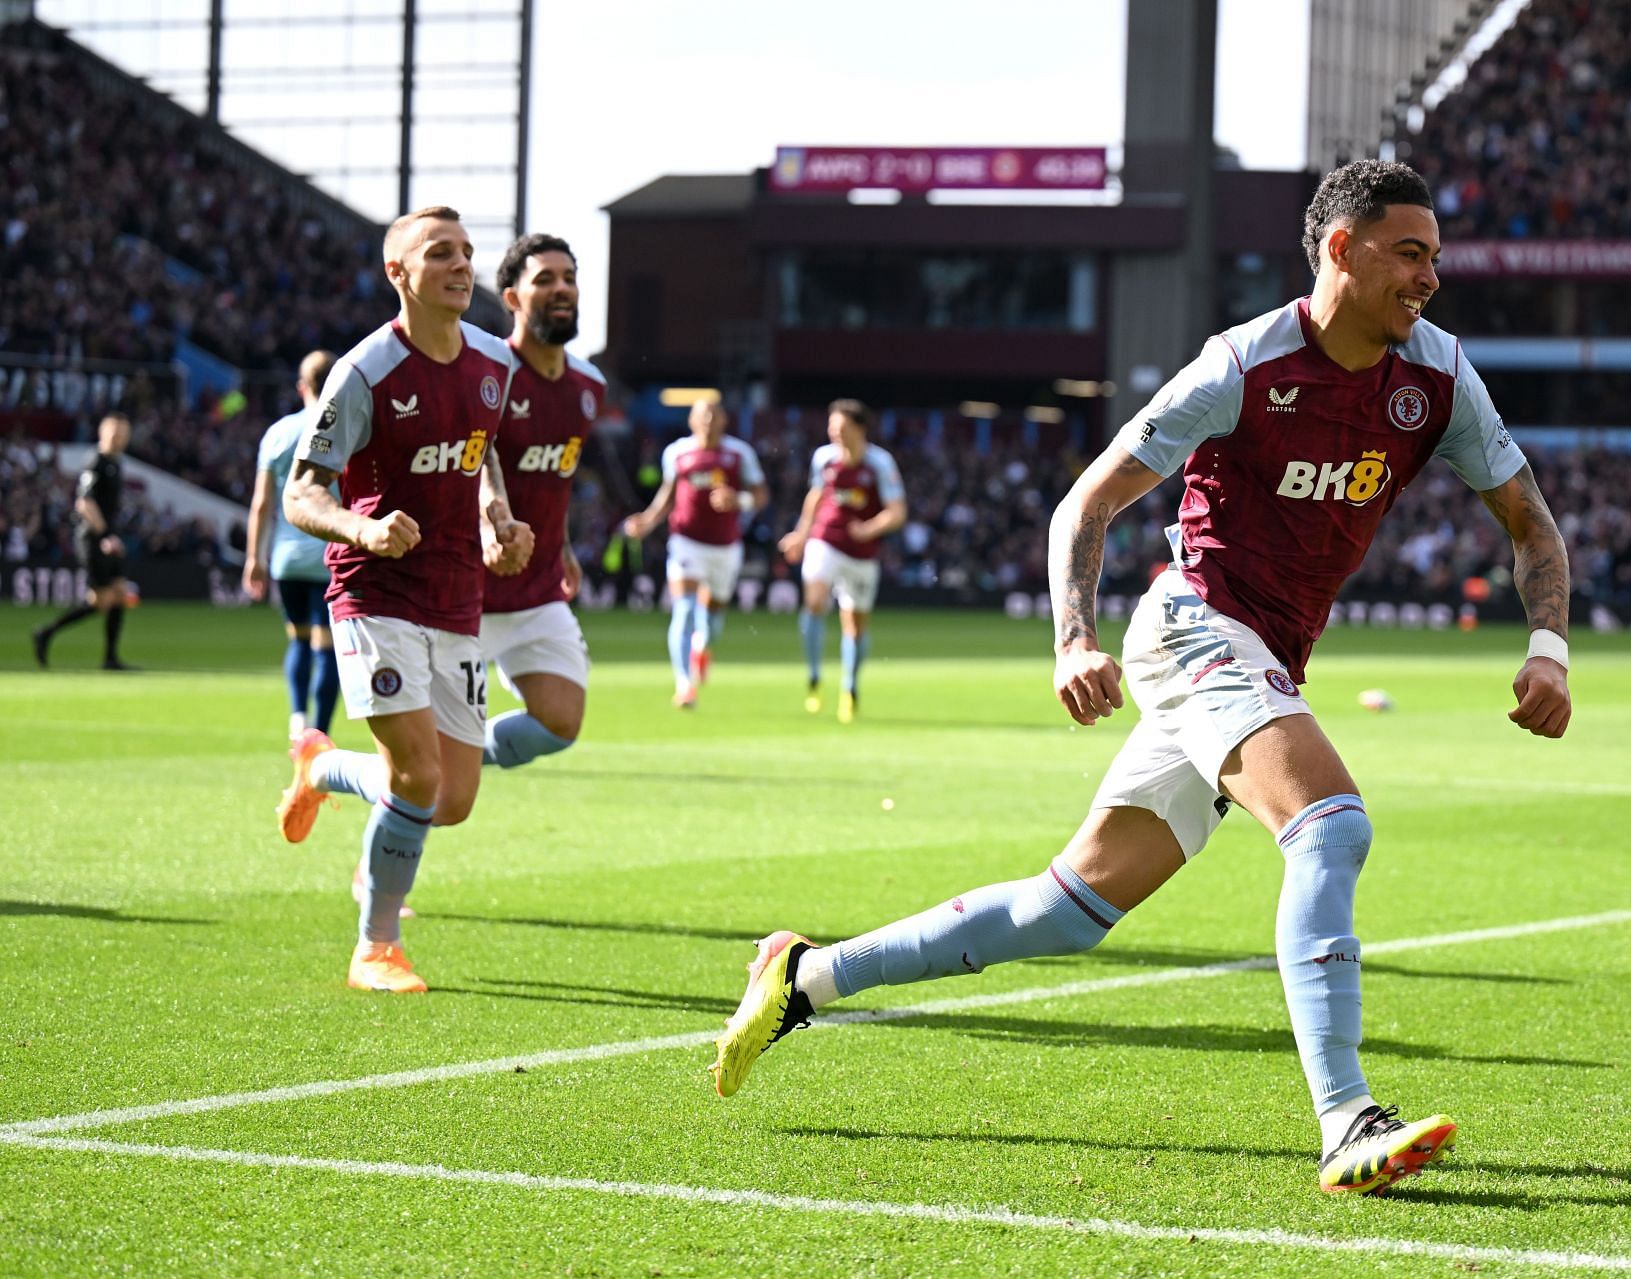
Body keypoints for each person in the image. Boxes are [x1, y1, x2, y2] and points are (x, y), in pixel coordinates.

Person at [712, 161, 1573, 1198]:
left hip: (1264, 656)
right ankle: (1347, 1119)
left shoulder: (1437, 375)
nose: (1431, 276)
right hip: (1194, 626)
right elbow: (1086, 503)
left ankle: (803, 975)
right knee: (1330, 824)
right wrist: (1073, 638)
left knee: (1063, 911)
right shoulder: (1242, 364)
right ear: (1340, 250)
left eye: (1435, 256)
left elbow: (1528, 521)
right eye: (1410, 253)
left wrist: (1547, 645)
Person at [273, 205, 533, 995]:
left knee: (451, 800)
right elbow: (300, 492)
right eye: (440, 253)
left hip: (459, 596)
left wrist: (499, 515)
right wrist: (363, 526)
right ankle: (375, 946)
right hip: (375, 594)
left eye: (466, 253)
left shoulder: (494, 360)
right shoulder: (364, 373)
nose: (461, 266)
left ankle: (321, 767)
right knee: (416, 778)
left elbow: (480, 453)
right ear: (399, 273)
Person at [477, 232, 604, 763]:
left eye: (569, 278)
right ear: (511, 298)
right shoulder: (484, 374)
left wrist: (566, 547)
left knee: (561, 723)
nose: (562, 289)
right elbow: (473, 462)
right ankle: (327, 768)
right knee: (430, 780)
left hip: (539, 589)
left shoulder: (589, 388)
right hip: (465, 591)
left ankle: (462, 756)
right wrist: (491, 522)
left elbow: (557, 480)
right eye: (545, 279)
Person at [622, 396, 769, 708]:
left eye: (714, 415)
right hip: (686, 541)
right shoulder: (677, 452)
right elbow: (668, 494)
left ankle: (703, 648)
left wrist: (738, 500)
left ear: (725, 420)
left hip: (725, 546)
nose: (708, 421)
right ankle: (684, 684)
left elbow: (760, 495)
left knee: (712, 622)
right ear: (691, 421)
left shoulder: (739, 454)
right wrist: (647, 522)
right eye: (702, 415)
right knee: (685, 610)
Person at [776, 399, 906, 721]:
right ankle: (815, 676)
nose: (835, 433)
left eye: (842, 428)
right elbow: (816, 497)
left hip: (862, 553)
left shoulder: (880, 463)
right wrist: (801, 535)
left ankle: (849, 686)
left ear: (859, 429)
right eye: (832, 427)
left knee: (855, 627)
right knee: (815, 601)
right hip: (826, 541)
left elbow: (897, 512)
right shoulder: (823, 458)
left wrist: (869, 529)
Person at [244, 350, 343, 740]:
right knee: (328, 647)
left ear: (301, 386)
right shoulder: (343, 429)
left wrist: (255, 557)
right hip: (329, 555)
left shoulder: (278, 433)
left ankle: (297, 718)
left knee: (298, 639)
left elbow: (261, 502)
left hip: (286, 559)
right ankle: (320, 733)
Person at [32, 413, 137, 670]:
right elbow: (85, 503)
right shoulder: (95, 462)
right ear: (102, 433)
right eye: (115, 433)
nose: (119, 438)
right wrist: (104, 536)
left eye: (123, 434)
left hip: (108, 539)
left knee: (120, 593)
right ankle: (46, 633)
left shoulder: (116, 463)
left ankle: (110, 658)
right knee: (100, 601)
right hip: (92, 539)